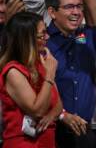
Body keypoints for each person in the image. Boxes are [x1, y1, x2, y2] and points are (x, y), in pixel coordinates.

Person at [45, 0, 96, 148]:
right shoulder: (42, 42)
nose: (76, 12)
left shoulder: (87, 37)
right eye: (69, 7)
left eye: (79, 6)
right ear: (52, 12)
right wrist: (63, 115)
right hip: (54, 131)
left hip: (87, 132)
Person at [0, 12, 61, 148]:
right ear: (27, 39)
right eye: (42, 34)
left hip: (47, 140)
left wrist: (51, 116)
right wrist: (50, 75)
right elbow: (37, 110)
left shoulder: (41, 65)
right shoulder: (14, 71)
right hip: (24, 143)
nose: (47, 37)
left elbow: (58, 105)